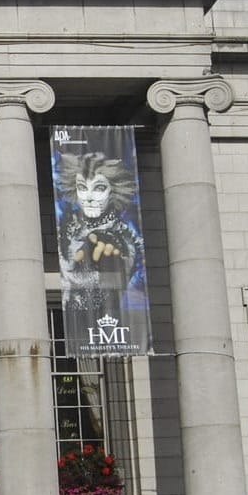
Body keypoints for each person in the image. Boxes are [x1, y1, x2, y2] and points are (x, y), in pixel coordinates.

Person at [53, 149, 146, 354]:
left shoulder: (121, 236)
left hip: (100, 325)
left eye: (99, 188)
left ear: (114, 191)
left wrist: (111, 251)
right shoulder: (67, 226)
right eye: (82, 187)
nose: (88, 198)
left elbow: (125, 252)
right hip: (71, 323)